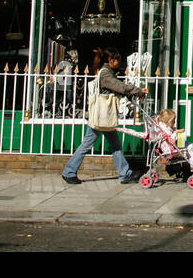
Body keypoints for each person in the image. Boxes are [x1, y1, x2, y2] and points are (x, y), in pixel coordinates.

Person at [61, 48, 148, 185]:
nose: (119, 62)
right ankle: (69, 172)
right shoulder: (106, 74)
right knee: (89, 144)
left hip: (102, 117)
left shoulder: (108, 73)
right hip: (102, 116)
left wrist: (133, 93)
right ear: (110, 60)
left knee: (113, 144)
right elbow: (120, 87)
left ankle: (124, 173)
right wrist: (137, 91)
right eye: (117, 59)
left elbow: (117, 90)